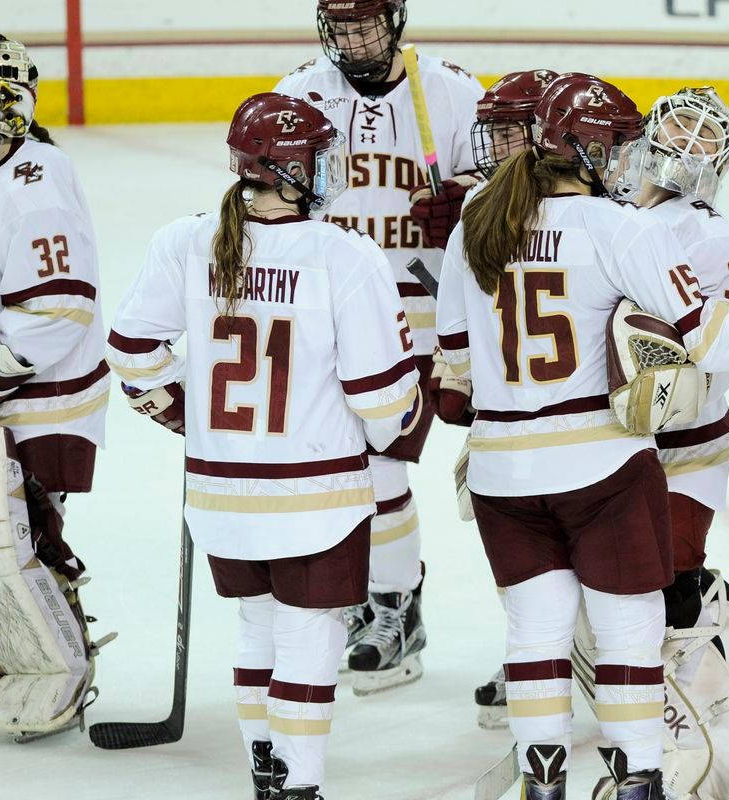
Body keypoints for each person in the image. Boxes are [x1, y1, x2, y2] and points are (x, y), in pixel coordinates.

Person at [434, 72, 729, 799]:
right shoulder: (618, 227)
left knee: (535, 638)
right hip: (601, 467)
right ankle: (637, 781)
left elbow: (453, 367)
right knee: (628, 636)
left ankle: (542, 786)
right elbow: (709, 333)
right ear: (592, 148)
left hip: (502, 473)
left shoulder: (477, 216)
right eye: (622, 146)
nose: (630, 160)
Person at [106, 93, 422, 800]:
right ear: (290, 169)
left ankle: (264, 774)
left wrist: (186, 416)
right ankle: (299, 787)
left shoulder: (183, 240)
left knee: (257, 628)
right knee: (310, 643)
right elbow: (383, 400)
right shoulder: (346, 255)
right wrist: (380, 439)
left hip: (221, 496)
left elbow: (131, 351)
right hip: (319, 497)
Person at [574, 86, 729, 799]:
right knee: (591, 584)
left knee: (668, 586)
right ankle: (557, 672)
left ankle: (704, 694)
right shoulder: (608, 214)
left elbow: (713, 349)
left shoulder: (713, 236)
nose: (688, 147)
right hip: (612, 440)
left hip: (689, 442)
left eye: (706, 139)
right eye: (677, 130)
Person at [273, 0, 484, 693]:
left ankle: (393, 606)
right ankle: (374, 599)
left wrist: (469, 205)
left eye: (366, 25)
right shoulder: (299, 94)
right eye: (341, 26)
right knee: (342, 473)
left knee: (381, 472)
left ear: (393, 22)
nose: (353, 39)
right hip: (323, 318)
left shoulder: (451, 91)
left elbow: (513, 185)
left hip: (416, 318)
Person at [0, 33, 111, 742]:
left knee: (1, 534)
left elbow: (57, 312)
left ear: (5, 107)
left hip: (35, 399)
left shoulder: (39, 186)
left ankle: (55, 662)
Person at [450, 66, 560, 731]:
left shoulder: (600, 212)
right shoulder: (482, 207)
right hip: (514, 413)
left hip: (597, 420)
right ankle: (542, 656)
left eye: (508, 132)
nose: (492, 149)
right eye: (489, 133)